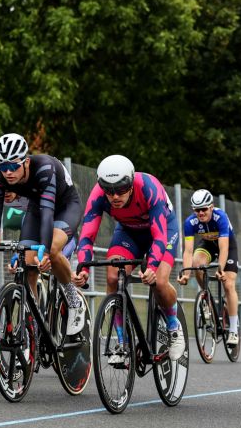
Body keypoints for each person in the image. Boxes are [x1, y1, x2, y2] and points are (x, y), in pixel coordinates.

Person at [71, 155, 184, 362]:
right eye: (109, 191)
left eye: (121, 190)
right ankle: (122, 342)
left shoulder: (149, 187)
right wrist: (83, 269)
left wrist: (151, 266)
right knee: (114, 278)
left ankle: (173, 325)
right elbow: (87, 236)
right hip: (129, 232)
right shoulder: (98, 195)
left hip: (162, 229)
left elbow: (159, 236)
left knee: (158, 281)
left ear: (131, 184)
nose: (115, 196)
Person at [0, 133, 85, 335]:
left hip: (64, 206)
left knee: (50, 249)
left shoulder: (44, 167)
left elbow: (49, 212)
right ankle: (32, 323)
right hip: (37, 207)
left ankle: (73, 299)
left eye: (13, 166)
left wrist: (45, 251)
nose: (8, 172)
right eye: (3, 167)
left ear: (25, 162)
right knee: (28, 264)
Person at [177, 189, 240, 345]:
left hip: (227, 246)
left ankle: (233, 329)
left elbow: (224, 248)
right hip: (208, 246)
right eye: (197, 210)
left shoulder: (221, 218)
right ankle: (206, 299)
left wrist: (220, 269)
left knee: (228, 284)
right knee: (197, 264)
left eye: (204, 209)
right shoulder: (190, 222)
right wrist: (186, 273)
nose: (201, 213)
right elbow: (188, 251)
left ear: (211, 207)